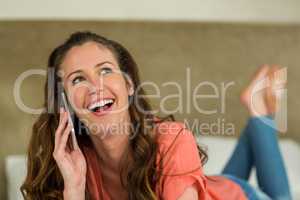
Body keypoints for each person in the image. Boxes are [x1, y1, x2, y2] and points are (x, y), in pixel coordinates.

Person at [21, 31, 292, 200]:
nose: (96, 86)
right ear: (65, 103)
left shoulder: (171, 140)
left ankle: (259, 115)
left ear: (128, 86)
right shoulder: (68, 164)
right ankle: (258, 113)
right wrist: (75, 190)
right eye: (78, 79)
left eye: (105, 71)